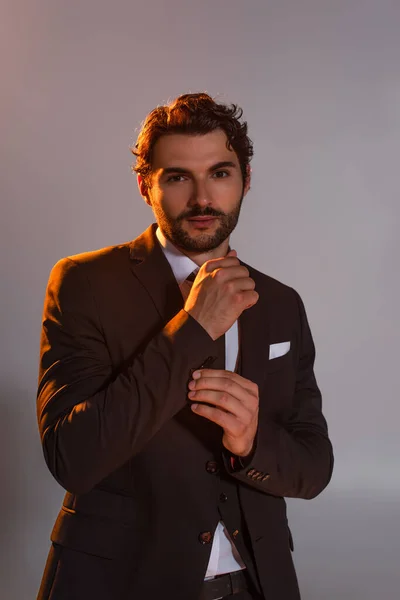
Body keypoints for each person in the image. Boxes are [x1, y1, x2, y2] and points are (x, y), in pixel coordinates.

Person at [36, 92, 333, 600]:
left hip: (258, 582)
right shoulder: (83, 282)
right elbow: (74, 456)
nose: (202, 198)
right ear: (145, 185)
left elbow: (314, 467)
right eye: (177, 177)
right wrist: (195, 325)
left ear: (245, 180)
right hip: (120, 582)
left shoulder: (282, 303)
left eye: (220, 173)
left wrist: (251, 442)